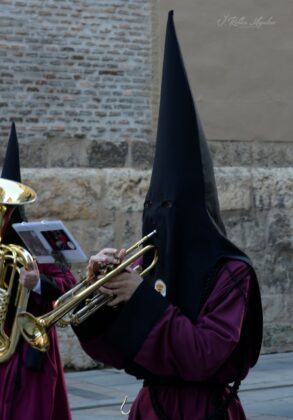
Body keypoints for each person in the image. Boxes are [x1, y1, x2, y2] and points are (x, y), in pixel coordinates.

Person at [73, 11, 263, 420]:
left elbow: (204, 355)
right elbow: (113, 350)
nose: (161, 219)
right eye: (153, 207)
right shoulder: (147, 262)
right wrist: (99, 294)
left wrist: (140, 297)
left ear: (195, 212)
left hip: (205, 409)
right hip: (150, 408)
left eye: (170, 209)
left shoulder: (232, 272)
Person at [0, 122, 76, 420]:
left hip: (28, 351)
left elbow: (68, 283)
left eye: (5, 208)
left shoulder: (36, 240)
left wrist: (37, 283)